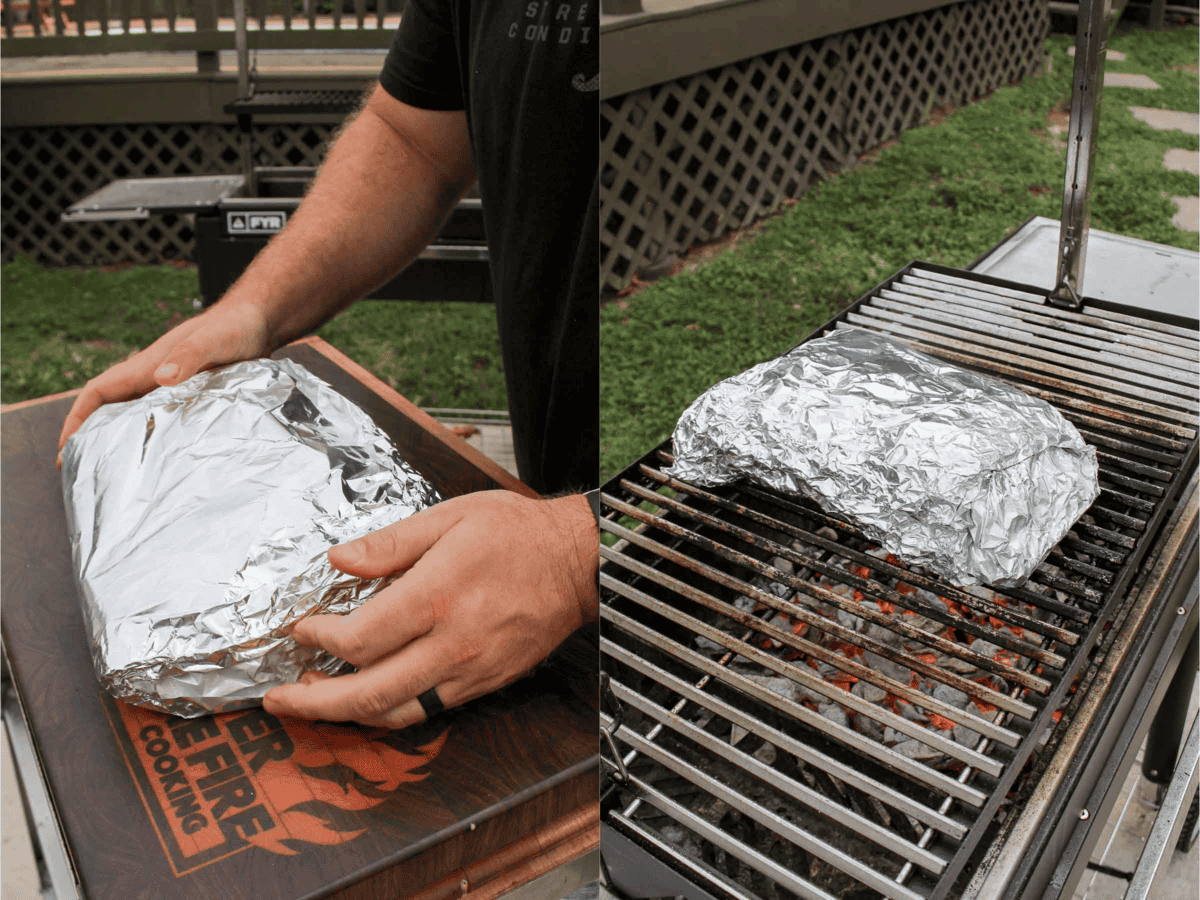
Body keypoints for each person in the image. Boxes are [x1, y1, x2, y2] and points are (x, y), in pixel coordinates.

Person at [57, 0, 600, 730]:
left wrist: (580, 549)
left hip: (697, 554)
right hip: (520, 540)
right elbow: (414, 137)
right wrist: (255, 308)